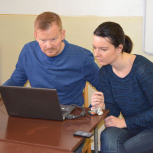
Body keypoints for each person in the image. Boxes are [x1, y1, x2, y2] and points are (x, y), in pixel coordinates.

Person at [3, 11, 100, 108]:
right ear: (36, 36)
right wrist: (2, 91)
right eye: (43, 40)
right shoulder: (28, 51)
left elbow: (105, 86)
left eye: (53, 39)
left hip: (70, 116)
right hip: (38, 112)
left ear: (62, 34)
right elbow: (15, 82)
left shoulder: (82, 58)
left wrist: (91, 110)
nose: (49, 46)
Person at [91, 21, 153, 153]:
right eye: (94, 47)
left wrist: (125, 123)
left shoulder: (143, 69)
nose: (97, 54)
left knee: (127, 149)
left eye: (103, 49)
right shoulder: (105, 72)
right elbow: (112, 113)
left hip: (149, 126)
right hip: (133, 126)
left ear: (119, 48)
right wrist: (99, 107)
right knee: (107, 135)